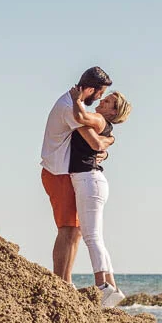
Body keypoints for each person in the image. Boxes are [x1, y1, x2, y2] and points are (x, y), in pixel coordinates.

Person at [40, 66, 114, 283]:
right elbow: (95, 143)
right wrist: (110, 142)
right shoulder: (70, 108)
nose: (101, 98)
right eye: (100, 93)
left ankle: (66, 281)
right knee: (67, 229)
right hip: (59, 173)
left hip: (64, 172)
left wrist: (106, 148)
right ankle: (61, 282)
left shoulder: (73, 104)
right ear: (91, 89)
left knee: (75, 230)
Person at [68, 85, 132, 308]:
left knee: (91, 237)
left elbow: (80, 116)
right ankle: (112, 287)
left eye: (108, 102)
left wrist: (76, 99)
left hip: (87, 179)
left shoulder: (97, 118)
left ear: (113, 112)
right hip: (93, 180)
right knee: (96, 237)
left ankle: (102, 287)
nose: (102, 101)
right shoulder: (106, 126)